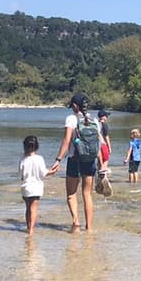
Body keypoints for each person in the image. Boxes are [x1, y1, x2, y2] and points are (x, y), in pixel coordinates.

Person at [52, 93, 99, 231]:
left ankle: (76, 223)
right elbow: (99, 143)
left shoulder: (71, 119)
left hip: (74, 159)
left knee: (71, 194)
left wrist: (58, 159)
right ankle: (89, 228)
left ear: (74, 106)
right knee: (87, 194)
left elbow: (66, 141)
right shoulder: (94, 120)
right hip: (90, 160)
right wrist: (102, 165)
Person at [20, 135, 52, 234]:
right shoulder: (39, 159)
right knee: (34, 209)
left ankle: (28, 226)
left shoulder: (23, 160)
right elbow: (44, 173)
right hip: (36, 188)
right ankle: (31, 229)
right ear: (37, 146)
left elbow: (21, 175)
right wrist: (53, 171)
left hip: (26, 187)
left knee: (28, 208)